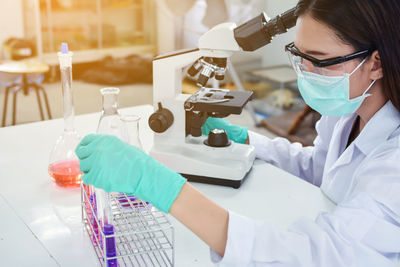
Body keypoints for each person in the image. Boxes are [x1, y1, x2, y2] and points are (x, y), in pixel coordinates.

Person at [75, 0, 400, 265]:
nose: (306, 73)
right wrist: (245, 139)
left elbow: (316, 255)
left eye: (319, 60)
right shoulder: (347, 112)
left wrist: (159, 187)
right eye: (299, 56)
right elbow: (320, 168)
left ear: (376, 62)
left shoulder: (394, 160)